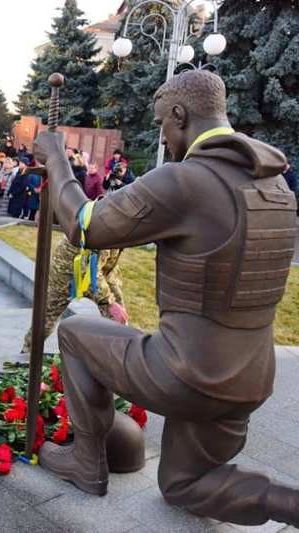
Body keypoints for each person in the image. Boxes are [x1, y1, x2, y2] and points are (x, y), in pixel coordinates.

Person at [33, 70, 299, 526]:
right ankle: (290, 503)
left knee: (76, 331)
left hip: (187, 374)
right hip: (250, 380)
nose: (163, 134)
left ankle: (86, 463)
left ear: (178, 114)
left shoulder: (186, 180)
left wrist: (57, 159)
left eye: (162, 123)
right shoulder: (274, 185)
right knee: (183, 485)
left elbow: (84, 224)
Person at [20, 235, 126, 354]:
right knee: (46, 318)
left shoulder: (121, 225)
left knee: (119, 317)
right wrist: (108, 302)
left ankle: (118, 356)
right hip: (65, 274)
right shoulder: (98, 231)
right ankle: (27, 352)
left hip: (97, 271)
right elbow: (89, 272)